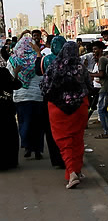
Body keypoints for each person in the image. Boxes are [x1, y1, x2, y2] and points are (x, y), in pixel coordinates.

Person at [40, 42, 93, 189]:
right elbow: (90, 87)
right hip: (79, 108)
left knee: (64, 141)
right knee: (77, 139)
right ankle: (76, 170)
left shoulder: (53, 67)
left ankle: (72, 174)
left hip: (58, 110)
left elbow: (44, 88)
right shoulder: (80, 68)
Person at [6, 37, 45, 159]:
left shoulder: (13, 60)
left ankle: (27, 147)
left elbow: (10, 78)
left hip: (20, 97)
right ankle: (38, 150)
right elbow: (44, 76)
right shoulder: (39, 58)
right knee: (38, 124)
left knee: (24, 123)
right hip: (38, 97)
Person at [33, 36, 67, 168]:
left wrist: (37, 54)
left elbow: (38, 71)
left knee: (52, 129)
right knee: (68, 130)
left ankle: (57, 159)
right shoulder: (71, 59)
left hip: (50, 99)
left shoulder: (46, 59)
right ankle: (69, 158)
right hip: (69, 99)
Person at [89, 41, 108, 138]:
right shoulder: (103, 59)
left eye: (95, 49)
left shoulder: (102, 59)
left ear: (101, 50)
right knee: (103, 109)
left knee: (101, 110)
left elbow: (101, 74)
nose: (94, 52)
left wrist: (90, 75)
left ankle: (107, 131)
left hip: (105, 88)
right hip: (106, 86)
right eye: (93, 50)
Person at [0, 55, 22, 170]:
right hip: (6, 108)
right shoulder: (4, 72)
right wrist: (16, 73)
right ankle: (10, 162)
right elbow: (17, 85)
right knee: (9, 135)